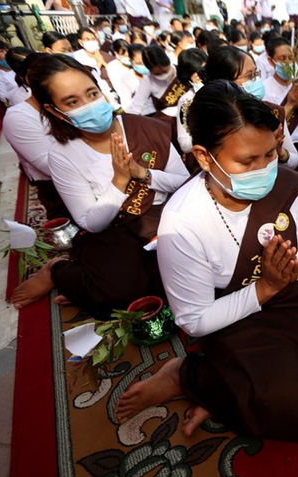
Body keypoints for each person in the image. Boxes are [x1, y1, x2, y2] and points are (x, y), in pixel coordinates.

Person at [114, 79, 298, 441]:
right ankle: (190, 375)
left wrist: (295, 270)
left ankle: (247, 384)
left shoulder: (286, 186)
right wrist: (265, 287)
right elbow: (194, 319)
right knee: (296, 410)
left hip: (290, 295)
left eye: (269, 154)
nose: (264, 170)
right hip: (235, 318)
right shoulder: (183, 222)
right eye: (247, 161)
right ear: (204, 157)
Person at [11, 55, 189, 312]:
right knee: (119, 294)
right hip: (115, 228)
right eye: (73, 102)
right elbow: (91, 222)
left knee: (195, 273)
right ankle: (58, 271)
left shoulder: (148, 128)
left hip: (167, 213)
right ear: (54, 110)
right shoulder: (63, 155)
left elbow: (183, 183)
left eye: (91, 93)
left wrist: (143, 174)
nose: (88, 105)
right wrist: (119, 181)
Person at [203, 45, 298, 169]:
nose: (256, 81)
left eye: (256, 73)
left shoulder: (271, 112)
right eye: (249, 76)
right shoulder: (213, 124)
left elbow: (294, 160)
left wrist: (279, 153)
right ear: (225, 82)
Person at [2, 52, 68, 220]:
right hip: (57, 188)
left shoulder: (68, 103)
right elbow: (50, 166)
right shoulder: (18, 117)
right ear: (31, 81)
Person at [0, 39, 17, 104]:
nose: (6, 53)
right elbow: (4, 98)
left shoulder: (14, 63)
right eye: (1, 51)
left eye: (6, 50)